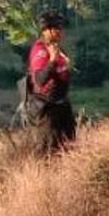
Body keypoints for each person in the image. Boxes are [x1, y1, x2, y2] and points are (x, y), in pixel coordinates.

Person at [27, 10, 75, 153]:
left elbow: (62, 76)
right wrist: (52, 60)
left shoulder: (57, 49)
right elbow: (40, 80)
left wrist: (67, 66)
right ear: (46, 30)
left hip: (62, 106)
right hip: (48, 109)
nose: (60, 32)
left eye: (61, 28)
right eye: (56, 28)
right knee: (49, 151)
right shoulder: (40, 51)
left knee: (69, 147)